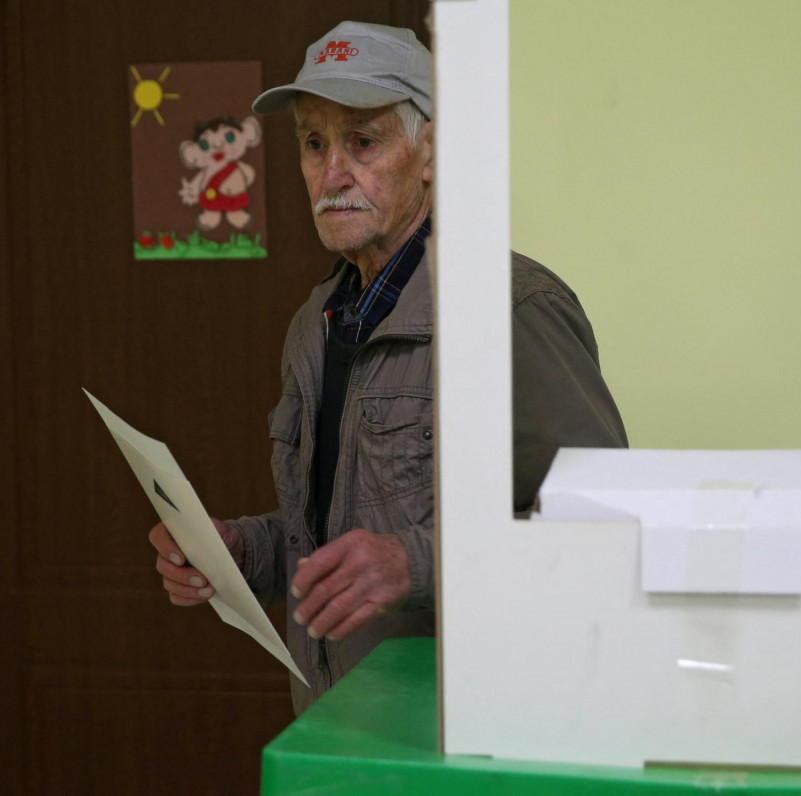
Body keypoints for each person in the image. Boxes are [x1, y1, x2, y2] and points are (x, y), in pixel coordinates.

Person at [148, 20, 627, 714]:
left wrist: (416, 563)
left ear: (429, 150)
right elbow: (332, 541)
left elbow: (606, 531)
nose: (331, 174)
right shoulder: (315, 324)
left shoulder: (511, 307)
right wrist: (240, 551)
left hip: (464, 734)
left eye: (363, 141)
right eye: (314, 144)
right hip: (337, 730)